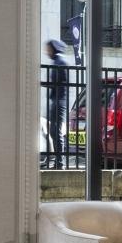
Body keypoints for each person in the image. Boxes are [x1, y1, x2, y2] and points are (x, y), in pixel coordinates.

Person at [44, 38, 69, 169]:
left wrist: (44, 83)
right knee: (54, 131)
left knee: (56, 131)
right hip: (57, 100)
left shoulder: (59, 61)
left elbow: (57, 83)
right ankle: (58, 162)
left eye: (48, 49)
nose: (46, 52)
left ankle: (60, 163)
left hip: (59, 101)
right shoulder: (57, 61)